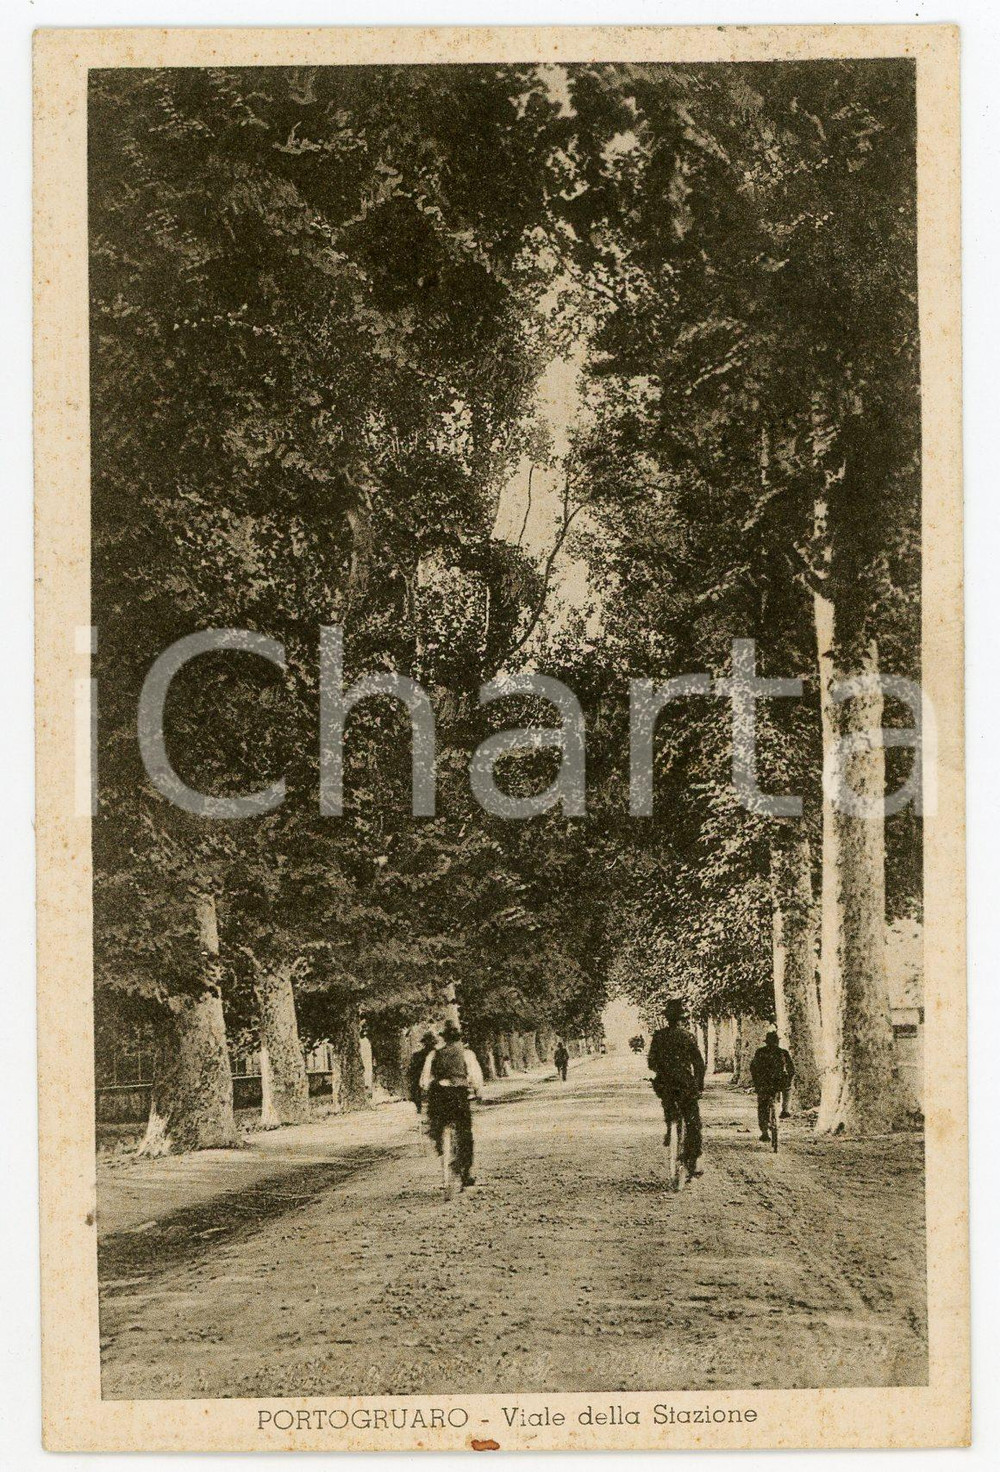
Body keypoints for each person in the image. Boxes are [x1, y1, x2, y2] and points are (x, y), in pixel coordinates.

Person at [419, 1020, 484, 1188]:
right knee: (465, 1132)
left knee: (436, 1127)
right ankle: (466, 1171)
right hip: (458, 1095)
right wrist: (478, 1093)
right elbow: (475, 1077)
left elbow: (424, 1080)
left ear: (445, 1039)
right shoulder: (467, 1054)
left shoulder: (434, 1054)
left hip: (438, 1095)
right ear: (459, 1038)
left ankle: (442, 1147)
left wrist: (426, 1090)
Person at [647, 998, 706, 1177]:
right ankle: (693, 1159)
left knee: (669, 1106)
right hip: (685, 1084)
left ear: (667, 1019)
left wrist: (663, 1070)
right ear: (682, 1019)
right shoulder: (687, 1036)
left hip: (665, 1084)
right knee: (693, 1122)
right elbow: (698, 1063)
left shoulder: (658, 1037)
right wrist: (699, 1085)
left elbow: (651, 1063)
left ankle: (669, 1128)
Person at [749, 1030, 795, 1141]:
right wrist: (788, 1079)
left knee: (762, 1106)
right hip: (779, 1083)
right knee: (788, 1089)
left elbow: (753, 1068)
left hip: (763, 1084)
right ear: (777, 1042)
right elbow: (791, 1069)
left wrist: (756, 1082)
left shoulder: (760, 1052)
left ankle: (764, 1132)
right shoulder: (783, 1052)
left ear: (767, 1042)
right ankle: (785, 1110)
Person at [408, 1031, 438, 1115]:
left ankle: (419, 1107)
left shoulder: (418, 1055)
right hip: (430, 1077)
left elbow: (413, 1069)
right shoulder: (438, 1054)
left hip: (425, 1077)